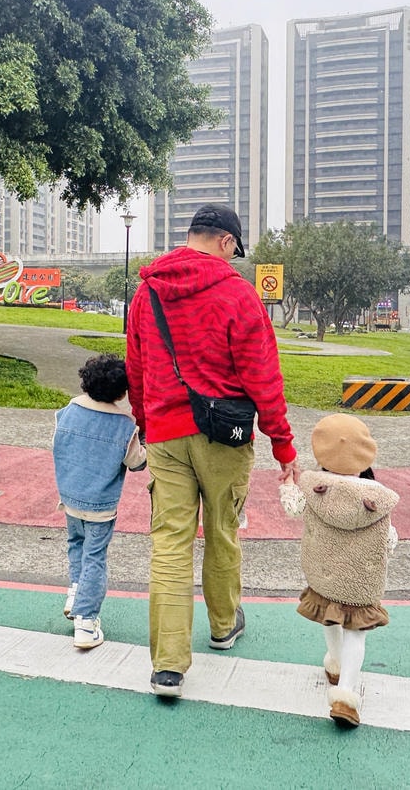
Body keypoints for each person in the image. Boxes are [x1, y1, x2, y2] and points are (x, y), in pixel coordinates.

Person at [125, 203, 298, 698]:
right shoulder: (238, 294)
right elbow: (262, 376)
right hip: (226, 437)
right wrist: (283, 446)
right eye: (235, 250)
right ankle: (223, 625)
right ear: (226, 241)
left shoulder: (148, 291)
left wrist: (146, 422)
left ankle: (168, 666)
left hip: (165, 433)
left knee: (169, 542)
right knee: (222, 530)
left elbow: (136, 367)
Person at [278, 414, 399, 727]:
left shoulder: (314, 489)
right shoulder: (377, 498)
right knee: (356, 634)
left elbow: (292, 507)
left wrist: (289, 483)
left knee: (329, 614)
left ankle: (334, 662)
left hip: (324, 575)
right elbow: (389, 541)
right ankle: (345, 695)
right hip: (360, 583)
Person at [52, 353, 146, 650]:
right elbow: (136, 463)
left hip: (70, 496)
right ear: (122, 392)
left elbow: (57, 444)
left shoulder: (68, 410)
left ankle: (75, 592)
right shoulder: (124, 424)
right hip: (101, 506)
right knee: (95, 557)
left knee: (76, 545)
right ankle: (86, 622)